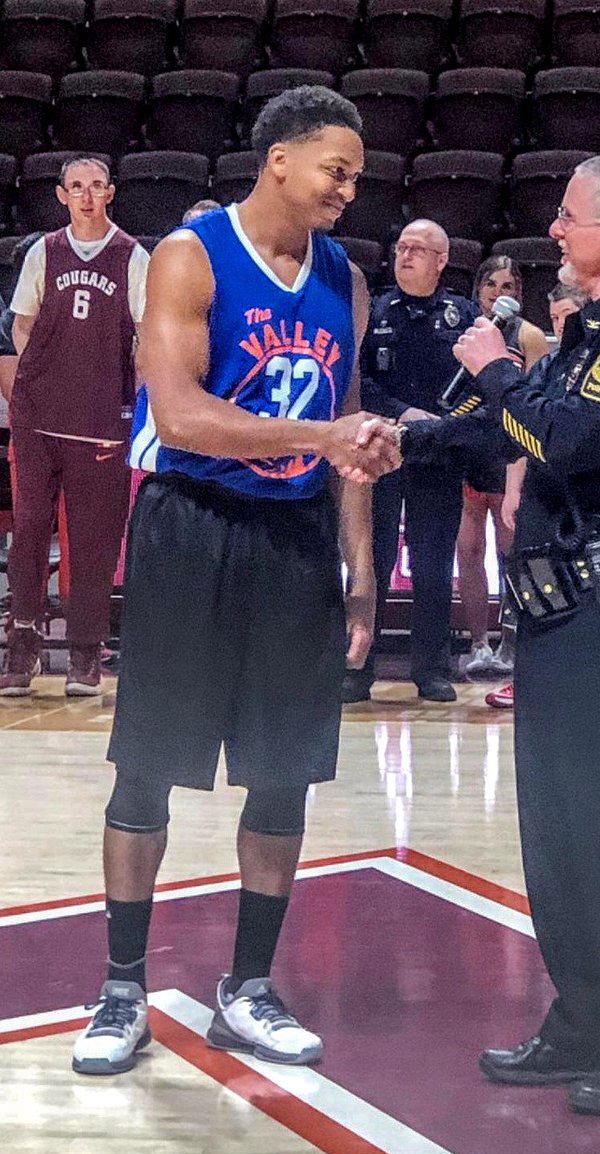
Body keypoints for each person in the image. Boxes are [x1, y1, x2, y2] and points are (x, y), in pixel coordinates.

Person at [71, 86, 399, 1076]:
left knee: (283, 770)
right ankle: (121, 989)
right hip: (192, 525)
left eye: (354, 173)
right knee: (147, 769)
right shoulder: (190, 254)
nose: (348, 187)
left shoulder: (344, 277)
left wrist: (360, 566)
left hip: (296, 535)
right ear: (279, 161)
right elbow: (178, 417)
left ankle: (246, 990)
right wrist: (322, 437)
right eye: (335, 167)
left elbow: (343, 430)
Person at [401, 154, 600, 1115]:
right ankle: (587, 1015)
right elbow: (518, 430)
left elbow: (564, 436)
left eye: (571, 220)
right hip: (561, 619)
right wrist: (404, 437)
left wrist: (495, 367)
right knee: (558, 837)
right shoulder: (593, 333)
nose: (558, 233)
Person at [0, 159, 149, 697]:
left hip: (101, 420)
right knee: (30, 534)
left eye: (95, 187)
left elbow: (147, 334)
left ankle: (85, 654)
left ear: (110, 193)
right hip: (39, 418)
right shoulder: (44, 250)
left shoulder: (133, 256)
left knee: (93, 541)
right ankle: (23, 647)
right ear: (62, 195)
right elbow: (21, 323)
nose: (87, 196)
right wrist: (49, 376)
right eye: (76, 187)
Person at [341, 218, 478, 704]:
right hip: (380, 449)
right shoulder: (376, 310)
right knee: (371, 559)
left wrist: (436, 425)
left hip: (437, 455)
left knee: (434, 564)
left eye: (419, 249)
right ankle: (358, 668)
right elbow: (357, 381)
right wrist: (403, 414)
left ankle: (432, 669)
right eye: (401, 247)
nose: (406, 255)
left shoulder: (463, 316)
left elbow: (478, 384)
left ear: (442, 261)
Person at [486, 280, 586, 710]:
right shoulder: (547, 366)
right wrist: (513, 490)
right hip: (541, 492)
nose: (561, 326)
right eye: (556, 318)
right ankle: (521, 673)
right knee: (527, 582)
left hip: (584, 498)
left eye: (569, 317)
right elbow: (518, 430)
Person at [458, 256, 548, 678]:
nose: (499, 292)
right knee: (469, 550)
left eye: (508, 285)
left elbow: (537, 407)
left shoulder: (529, 336)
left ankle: (513, 642)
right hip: (469, 449)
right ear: (478, 290)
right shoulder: (466, 330)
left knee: (512, 552)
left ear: (519, 294)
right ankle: (478, 642)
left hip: (511, 453)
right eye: (491, 284)